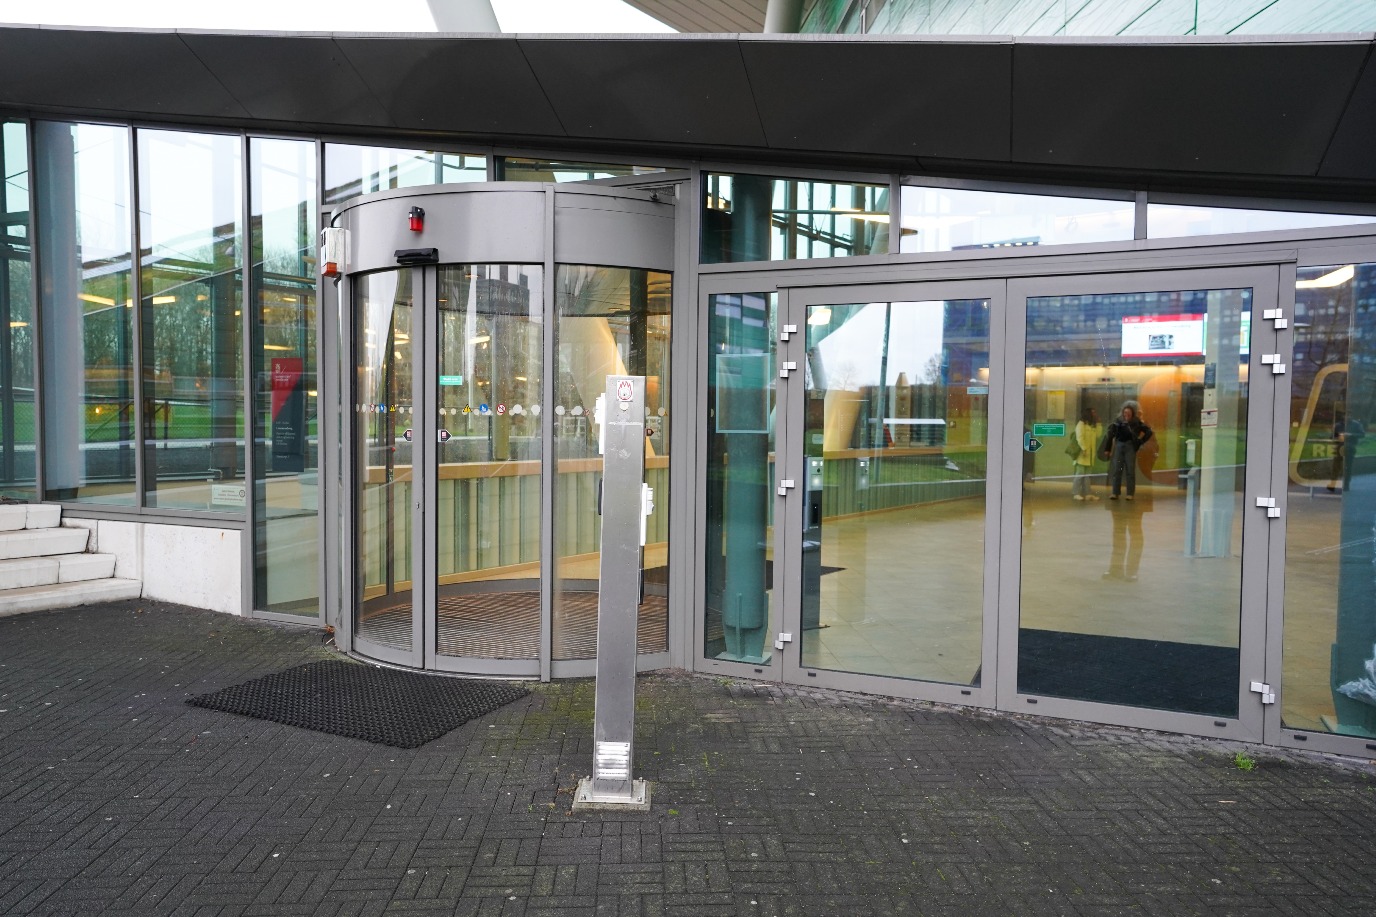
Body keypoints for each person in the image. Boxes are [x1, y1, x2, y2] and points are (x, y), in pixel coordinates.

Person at [1100, 400, 1153, 500]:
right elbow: (1110, 435)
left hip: (1130, 447)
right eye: (1125, 413)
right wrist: (1107, 449)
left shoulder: (1136, 422)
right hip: (1119, 446)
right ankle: (1115, 493)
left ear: (1132, 413)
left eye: (1128, 413)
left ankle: (1130, 494)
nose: (1126, 415)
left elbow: (1149, 432)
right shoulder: (1118, 422)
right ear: (1122, 413)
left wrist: (1140, 441)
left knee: (1130, 471)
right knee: (1117, 470)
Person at [1070, 406, 1101, 501]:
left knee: (1087, 476)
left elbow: (1098, 435)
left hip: (1090, 455)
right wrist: (1084, 448)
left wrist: (1099, 424)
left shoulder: (1092, 426)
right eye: (1093, 413)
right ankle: (1076, 493)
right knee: (1079, 474)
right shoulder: (1081, 424)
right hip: (1082, 454)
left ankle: (1088, 493)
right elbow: (1080, 438)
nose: (1094, 414)